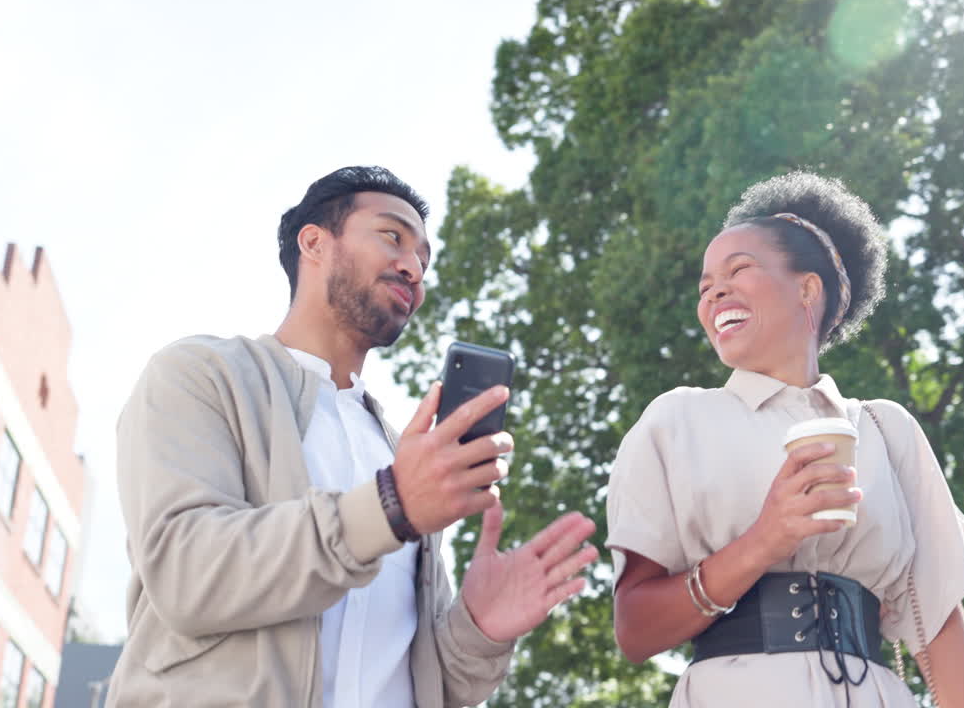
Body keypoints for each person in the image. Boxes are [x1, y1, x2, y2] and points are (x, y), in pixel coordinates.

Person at [106, 166, 598, 708]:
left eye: (424, 260)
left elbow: (426, 683)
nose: (413, 267)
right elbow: (186, 574)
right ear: (314, 242)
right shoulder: (202, 374)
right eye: (393, 237)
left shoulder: (396, 448)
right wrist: (390, 507)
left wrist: (480, 630)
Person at [605, 171, 964, 707]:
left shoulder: (887, 430)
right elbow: (634, 630)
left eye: (739, 269)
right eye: (705, 285)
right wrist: (765, 540)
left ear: (807, 288)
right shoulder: (675, 421)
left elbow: (940, 624)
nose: (716, 290)